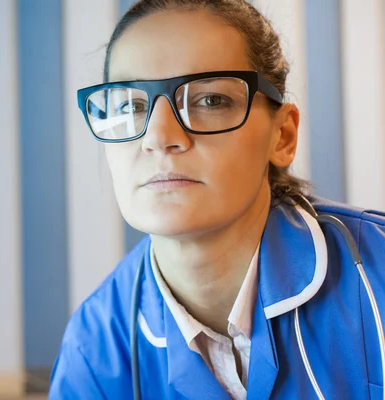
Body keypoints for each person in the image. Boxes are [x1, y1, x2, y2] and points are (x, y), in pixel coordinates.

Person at [49, 0, 385, 399]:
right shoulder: (95, 347)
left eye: (209, 100)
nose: (158, 137)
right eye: (131, 105)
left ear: (283, 136)